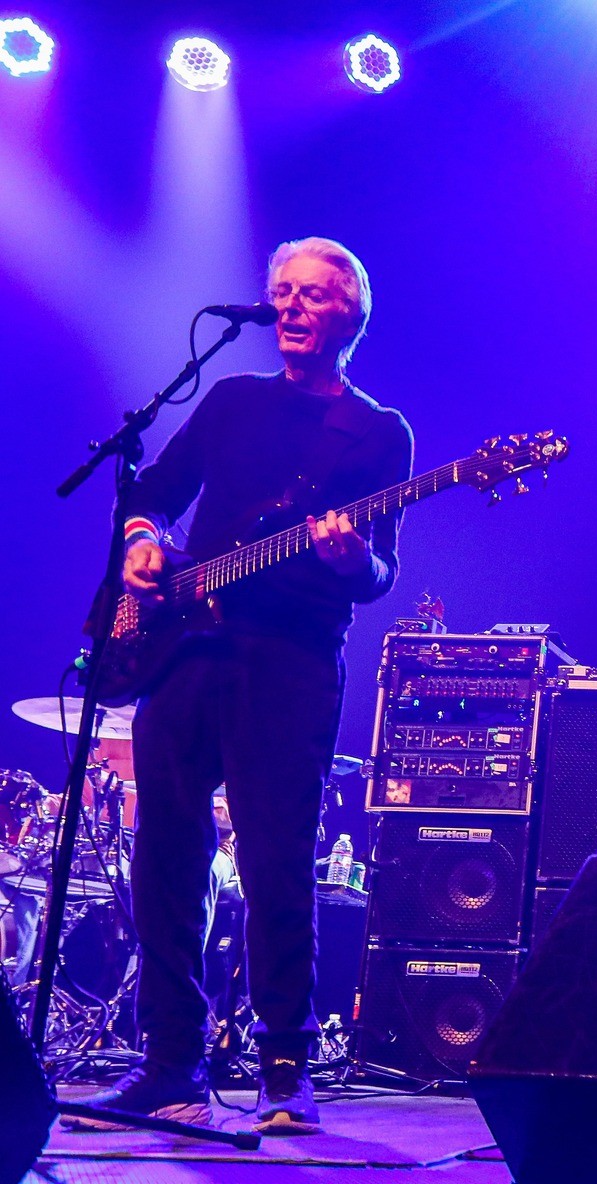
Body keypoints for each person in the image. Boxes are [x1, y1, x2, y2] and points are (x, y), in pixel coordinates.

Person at [73, 237, 412, 1134]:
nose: (290, 307)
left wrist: (349, 557)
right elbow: (153, 488)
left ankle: (284, 1076)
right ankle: (169, 1064)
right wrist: (145, 542)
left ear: (349, 313)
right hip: (186, 651)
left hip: (290, 664)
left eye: (309, 295)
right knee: (165, 863)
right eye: (279, 293)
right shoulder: (230, 400)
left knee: (276, 869)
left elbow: (381, 576)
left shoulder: (379, 432)